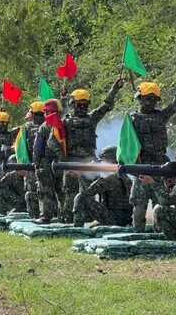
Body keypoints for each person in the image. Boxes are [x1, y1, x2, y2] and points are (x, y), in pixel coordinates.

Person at [48, 78, 123, 223]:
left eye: (85, 105)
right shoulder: (65, 122)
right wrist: (62, 157)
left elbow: (106, 105)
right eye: (79, 105)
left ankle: (87, 221)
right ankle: (69, 223)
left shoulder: (92, 119)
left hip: (89, 163)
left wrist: (115, 88)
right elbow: (52, 140)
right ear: (73, 104)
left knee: (87, 195)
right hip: (70, 163)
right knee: (69, 197)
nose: (82, 107)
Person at [129, 72, 176, 233]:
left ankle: (161, 234)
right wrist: (134, 167)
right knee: (139, 205)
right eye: (146, 98)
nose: (148, 102)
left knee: (162, 204)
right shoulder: (132, 119)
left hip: (160, 167)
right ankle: (138, 234)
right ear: (140, 99)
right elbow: (127, 146)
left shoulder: (160, 116)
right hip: (141, 167)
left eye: (151, 99)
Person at [72, 146, 132, 227]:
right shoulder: (122, 176)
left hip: (115, 220)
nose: (102, 163)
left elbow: (86, 193)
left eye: (104, 160)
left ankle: (77, 230)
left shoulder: (111, 178)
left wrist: (81, 176)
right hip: (123, 219)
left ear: (113, 159)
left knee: (80, 197)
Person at [33, 99, 66, 224]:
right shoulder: (63, 124)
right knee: (62, 191)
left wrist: (37, 165)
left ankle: (46, 217)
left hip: (46, 164)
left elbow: (37, 148)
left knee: (45, 191)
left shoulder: (44, 127)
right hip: (61, 164)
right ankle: (65, 217)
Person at [22, 101, 45, 218]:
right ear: (32, 114)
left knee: (46, 193)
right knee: (31, 193)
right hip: (31, 165)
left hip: (46, 165)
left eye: (41, 114)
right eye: (36, 114)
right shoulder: (26, 128)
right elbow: (20, 146)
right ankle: (33, 218)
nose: (39, 117)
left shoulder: (49, 126)